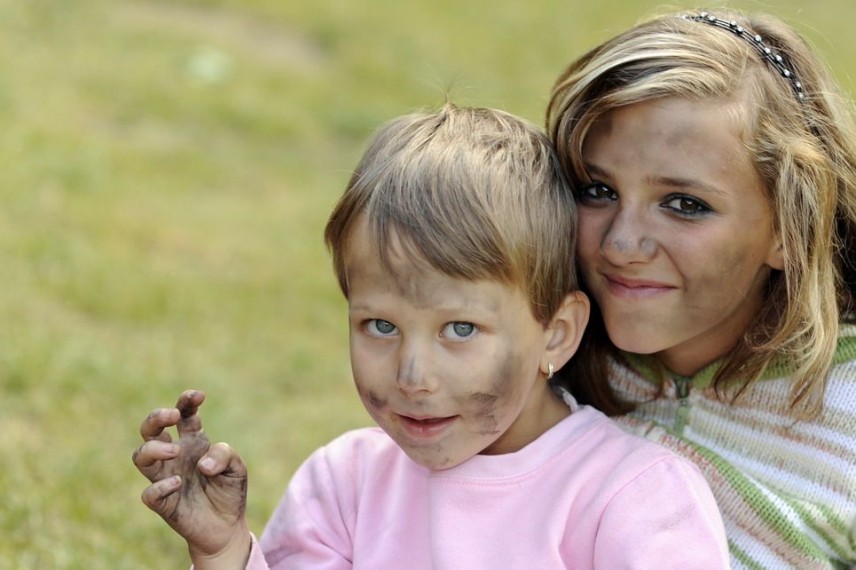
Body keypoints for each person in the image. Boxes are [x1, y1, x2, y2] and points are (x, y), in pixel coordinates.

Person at [132, 103, 731, 568]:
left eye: (459, 329)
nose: (412, 376)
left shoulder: (630, 498)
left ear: (555, 334)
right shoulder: (346, 483)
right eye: (381, 326)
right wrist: (223, 549)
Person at [546, 7, 856, 569]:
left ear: (790, 229)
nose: (621, 244)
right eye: (598, 190)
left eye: (685, 204)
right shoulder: (537, 355)